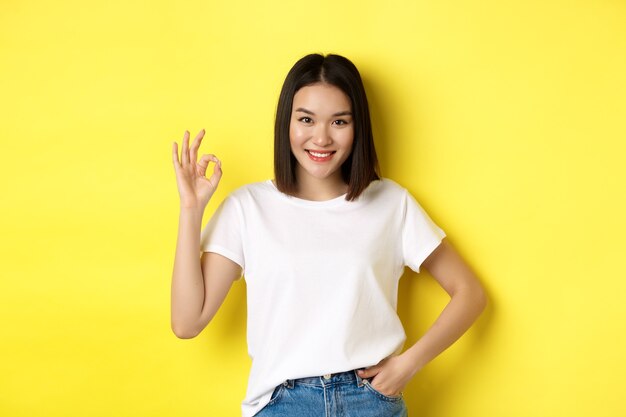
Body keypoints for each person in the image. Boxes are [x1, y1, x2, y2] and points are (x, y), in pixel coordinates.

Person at [170, 53, 487, 417]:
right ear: (286, 123)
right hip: (283, 403)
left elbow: (469, 293)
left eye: (339, 121)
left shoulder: (390, 202)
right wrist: (191, 209)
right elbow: (186, 322)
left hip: (369, 400)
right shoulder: (247, 208)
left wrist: (408, 364)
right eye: (306, 119)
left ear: (358, 128)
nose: (321, 137)